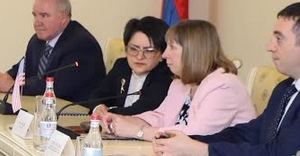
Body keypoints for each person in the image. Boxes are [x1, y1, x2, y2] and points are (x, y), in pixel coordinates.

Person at [154, 2, 300, 156]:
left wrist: (201, 150)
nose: (269, 46)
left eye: (279, 39)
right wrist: (192, 141)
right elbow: (250, 133)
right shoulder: (285, 88)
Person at [102, 19, 253, 140]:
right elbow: (160, 117)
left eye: (172, 47)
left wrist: (138, 131)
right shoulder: (180, 83)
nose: (164, 54)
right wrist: (122, 120)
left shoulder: (224, 86)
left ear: (193, 51)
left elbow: (195, 135)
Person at [0, 0, 105, 102]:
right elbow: (24, 68)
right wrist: (1, 79)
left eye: (44, 16)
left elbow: (57, 88)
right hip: (43, 110)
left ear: (63, 18)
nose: (37, 22)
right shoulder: (37, 41)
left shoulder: (81, 44)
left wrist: (14, 86)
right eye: (35, 15)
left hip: (76, 113)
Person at [89, 16, 173, 117]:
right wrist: (98, 107)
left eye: (148, 51)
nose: (139, 56)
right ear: (126, 49)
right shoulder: (121, 66)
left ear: (162, 54)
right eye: (133, 49)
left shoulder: (166, 75)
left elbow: (139, 111)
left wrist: (108, 113)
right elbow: (98, 96)